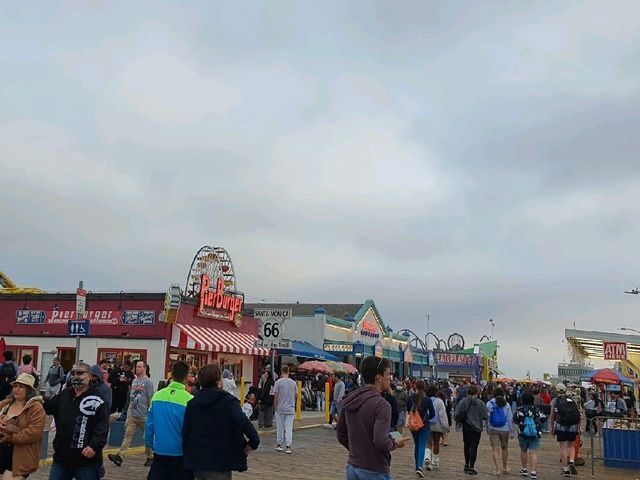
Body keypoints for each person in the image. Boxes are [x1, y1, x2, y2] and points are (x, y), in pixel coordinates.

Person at [182, 363, 260, 479]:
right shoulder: (228, 401)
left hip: (198, 460)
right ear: (218, 381)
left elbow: (186, 432)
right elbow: (242, 420)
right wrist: (253, 441)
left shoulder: (192, 403)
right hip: (220, 460)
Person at [337, 356, 406, 480]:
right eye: (388, 374)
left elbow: (341, 434)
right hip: (375, 470)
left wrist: (358, 451)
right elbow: (381, 441)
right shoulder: (382, 405)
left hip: (353, 467)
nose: (390, 378)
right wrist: (395, 443)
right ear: (378, 377)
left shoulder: (350, 399)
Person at [44, 362, 109, 480]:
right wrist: (36, 398)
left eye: (79, 373)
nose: (75, 376)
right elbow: (49, 407)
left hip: (86, 460)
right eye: (72, 373)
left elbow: (102, 427)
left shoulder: (98, 399)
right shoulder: (65, 394)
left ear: (89, 376)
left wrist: (93, 447)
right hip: (62, 457)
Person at [145, 361, 193, 480]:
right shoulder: (190, 400)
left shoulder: (157, 396)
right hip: (180, 452)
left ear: (172, 375)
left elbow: (149, 424)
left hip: (160, 450)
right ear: (186, 378)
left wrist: (149, 443)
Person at [108, 360, 155, 468]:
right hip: (132, 414)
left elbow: (150, 398)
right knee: (127, 435)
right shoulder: (134, 381)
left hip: (143, 415)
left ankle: (150, 456)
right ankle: (120, 456)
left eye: (139, 367)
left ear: (144, 368)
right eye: (136, 367)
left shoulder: (148, 382)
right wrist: (129, 411)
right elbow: (131, 397)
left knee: (147, 436)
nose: (137, 369)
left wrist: (148, 412)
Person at [0, 373, 46, 480]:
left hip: (21, 455)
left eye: (21, 387)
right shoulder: (6, 403)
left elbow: (34, 433)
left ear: (29, 390)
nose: (17, 389)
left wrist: (11, 437)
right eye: (15, 386)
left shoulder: (36, 408)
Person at [454, 384, 487, 475]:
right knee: (474, 447)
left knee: (466, 445)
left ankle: (466, 464)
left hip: (467, 426)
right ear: (477, 393)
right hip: (477, 428)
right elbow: (485, 416)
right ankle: (472, 466)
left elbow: (457, 413)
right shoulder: (481, 403)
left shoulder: (463, 401)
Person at [550, 383, 581, 477]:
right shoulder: (572, 399)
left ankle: (565, 470)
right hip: (573, 425)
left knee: (563, 447)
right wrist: (579, 428)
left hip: (561, 425)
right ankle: (571, 461)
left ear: (556, 390)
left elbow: (552, 415)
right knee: (571, 446)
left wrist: (552, 427)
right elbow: (579, 414)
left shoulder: (555, 400)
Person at [406, 380, 435, 478]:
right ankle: (419, 467)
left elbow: (408, 409)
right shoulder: (427, 399)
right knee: (422, 445)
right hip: (424, 424)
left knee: (417, 445)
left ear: (415, 387)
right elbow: (432, 414)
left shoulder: (410, 398)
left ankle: (417, 466)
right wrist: (426, 417)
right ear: (424, 387)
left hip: (414, 424)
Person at [514, 391, 546, 479]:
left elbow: (515, 419)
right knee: (533, 453)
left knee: (523, 451)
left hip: (523, 434)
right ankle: (533, 472)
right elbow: (544, 418)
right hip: (535, 434)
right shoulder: (537, 409)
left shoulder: (520, 409)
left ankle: (524, 469)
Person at [486, 387, 515, 475]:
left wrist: (487, 428)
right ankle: (505, 467)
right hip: (505, 429)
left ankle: (498, 469)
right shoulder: (506, 404)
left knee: (495, 449)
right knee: (504, 448)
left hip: (493, 428)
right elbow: (510, 419)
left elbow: (487, 418)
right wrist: (512, 431)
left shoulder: (489, 403)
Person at [272, 365, 297, 454]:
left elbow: (276, 396)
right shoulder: (293, 383)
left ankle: (279, 444)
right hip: (290, 408)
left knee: (280, 427)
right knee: (289, 427)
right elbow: (296, 395)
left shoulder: (278, 382)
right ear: (288, 372)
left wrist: (275, 406)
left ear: (281, 372)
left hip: (280, 408)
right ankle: (288, 446)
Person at [425, 386, 449, 471]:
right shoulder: (439, 401)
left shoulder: (425, 400)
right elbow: (442, 415)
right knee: (436, 442)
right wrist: (445, 426)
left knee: (428, 442)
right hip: (437, 424)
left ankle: (427, 457)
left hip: (427, 424)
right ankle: (435, 462)